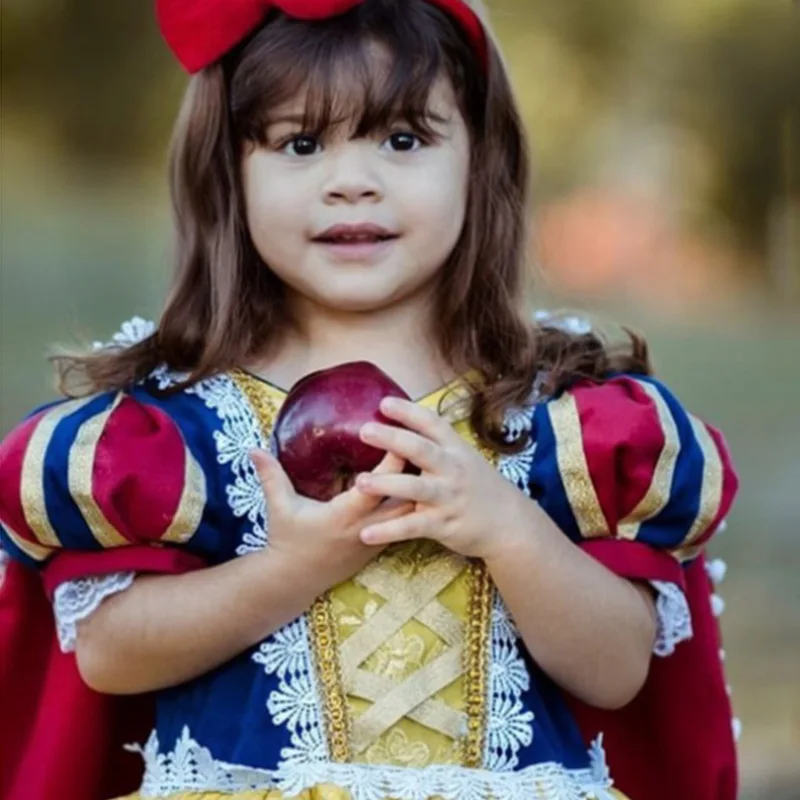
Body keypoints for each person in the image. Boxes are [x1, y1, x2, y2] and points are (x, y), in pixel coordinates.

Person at [0, 1, 739, 799]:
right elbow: (110, 653)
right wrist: (290, 570)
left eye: (403, 139)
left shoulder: (559, 414)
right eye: (301, 143)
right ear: (228, 169)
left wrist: (509, 530)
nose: (352, 183)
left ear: (480, 159)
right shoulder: (174, 424)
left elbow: (618, 668)